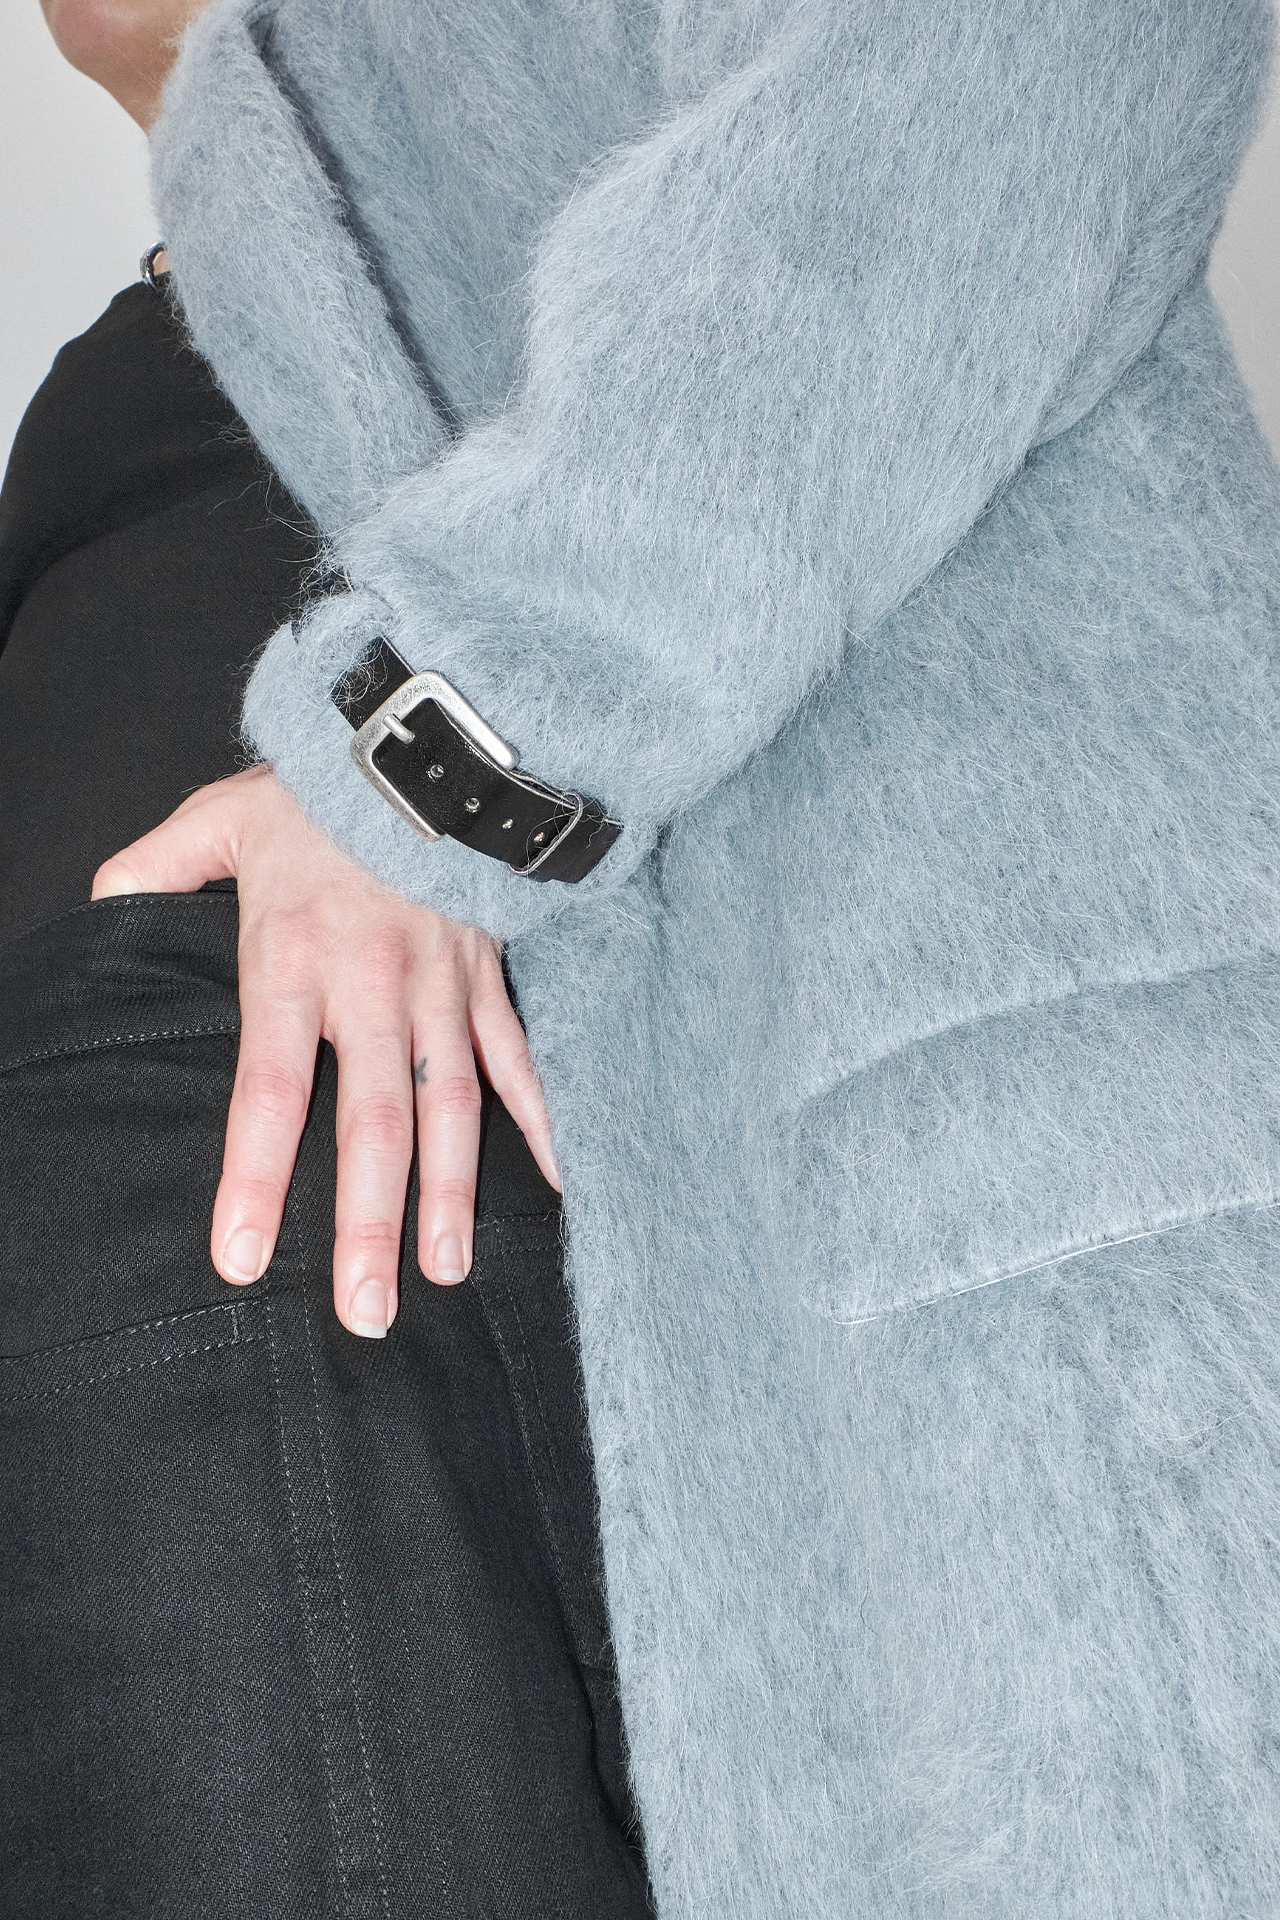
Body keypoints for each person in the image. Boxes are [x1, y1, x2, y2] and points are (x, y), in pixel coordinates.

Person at [7, 0, 1280, 1915]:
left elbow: (1031, 56)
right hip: (191, 1384)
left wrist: (428, 761)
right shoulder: (219, 244)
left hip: (591, 1290)